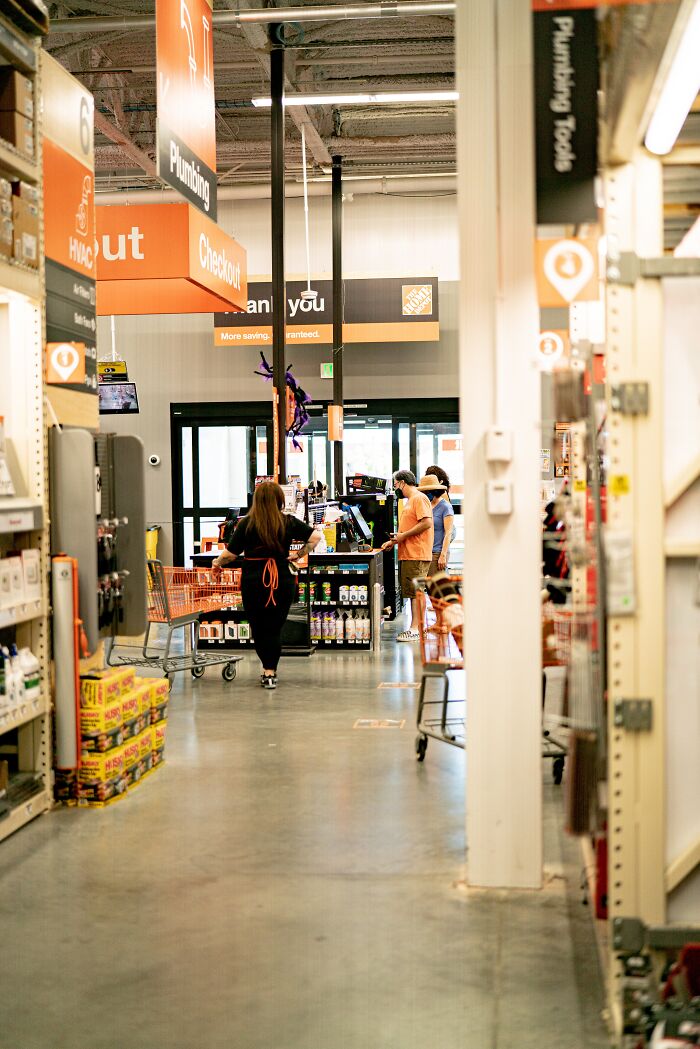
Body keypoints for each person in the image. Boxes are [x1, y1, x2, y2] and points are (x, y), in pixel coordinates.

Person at [212, 482, 322, 689]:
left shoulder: (247, 523)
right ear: (279, 500)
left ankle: (267, 668)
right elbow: (315, 537)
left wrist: (216, 563)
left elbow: (230, 554)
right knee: (274, 627)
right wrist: (297, 555)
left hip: (253, 579)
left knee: (259, 627)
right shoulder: (287, 521)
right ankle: (270, 671)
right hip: (281, 578)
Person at [382, 469, 433, 642]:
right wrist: (394, 541)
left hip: (416, 554)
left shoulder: (418, 498)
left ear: (403, 482)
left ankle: (415, 628)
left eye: (397, 485)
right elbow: (407, 530)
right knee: (412, 592)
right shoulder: (411, 501)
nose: (397, 488)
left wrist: (403, 536)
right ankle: (418, 627)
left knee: (416, 593)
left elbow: (427, 523)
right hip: (408, 553)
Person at [418, 474, 454, 576]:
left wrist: (443, 555)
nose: (424, 494)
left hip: (437, 553)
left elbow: (448, 533)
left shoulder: (445, 507)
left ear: (434, 491)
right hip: (425, 552)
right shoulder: (426, 505)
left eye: (426, 492)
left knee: (436, 588)